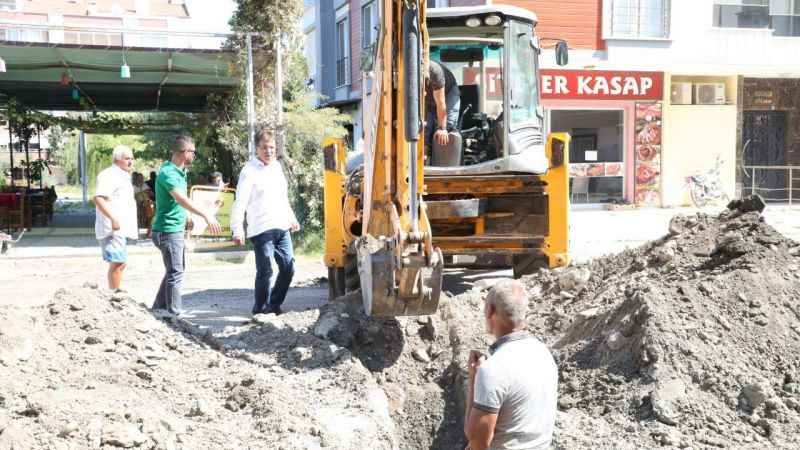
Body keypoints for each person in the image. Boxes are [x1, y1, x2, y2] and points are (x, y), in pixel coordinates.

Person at [464, 279, 558, 450]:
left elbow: (477, 441)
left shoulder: (493, 369)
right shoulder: (544, 353)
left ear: (490, 310)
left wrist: (473, 382)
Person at [231, 127, 299, 316]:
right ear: (256, 149)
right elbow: (240, 202)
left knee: (288, 267)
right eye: (264, 148)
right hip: (261, 229)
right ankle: (260, 308)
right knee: (266, 271)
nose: (268, 151)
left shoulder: (277, 167)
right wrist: (237, 229)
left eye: (271, 147)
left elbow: (282, 197)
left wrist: (291, 218)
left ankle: (274, 304)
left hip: (281, 226)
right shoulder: (249, 171)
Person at [151, 135, 221, 316]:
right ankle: (174, 314)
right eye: (193, 152)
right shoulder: (169, 173)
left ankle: (158, 309)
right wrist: (206, 215)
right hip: (167, 231)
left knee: (173, 271)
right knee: (175, 272)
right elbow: (181, 199)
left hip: (172, 229)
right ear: (183, 153)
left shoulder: (178, 171)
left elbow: (181, 201)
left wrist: (189, 216)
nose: (194, 155)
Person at [93, 145, 138, 291]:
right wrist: (113, 218)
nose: (130, 161)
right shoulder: (109, 175)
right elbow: (98, 198)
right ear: (117, 159)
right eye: (127, 158)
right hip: (112, 228)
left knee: (120, 263)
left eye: (132, 158)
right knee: (118, 263)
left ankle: (114, 293)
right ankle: (114, 295)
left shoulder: (123, 175)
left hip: (120, 227)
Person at [425, 59, 461, 150]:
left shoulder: (435, 72)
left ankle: (444, 160)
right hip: (427, 99)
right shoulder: (405, 71)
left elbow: (441, 103)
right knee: (423, 128)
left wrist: (442, 128)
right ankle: (423, 156)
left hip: (448, 93)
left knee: (447, 128)